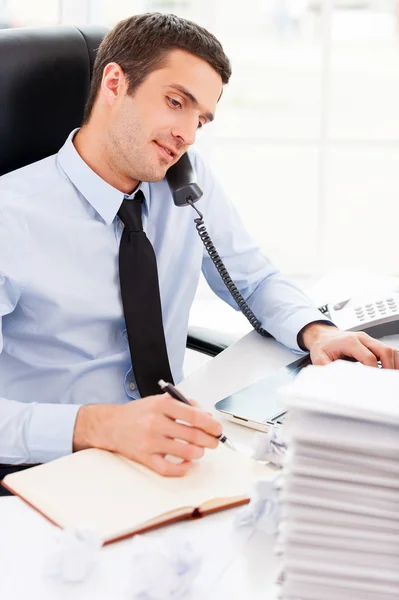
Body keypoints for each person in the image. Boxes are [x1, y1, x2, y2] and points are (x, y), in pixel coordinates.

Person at [0, 13, 398, 489]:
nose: (187, 135)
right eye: (175, 103)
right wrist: (95, 425)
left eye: (201, 120)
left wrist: (316, 332)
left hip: (172, 448)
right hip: (51, 468)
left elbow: (252, 278)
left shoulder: (186, 183)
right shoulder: (12, 218)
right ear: (113, 83)